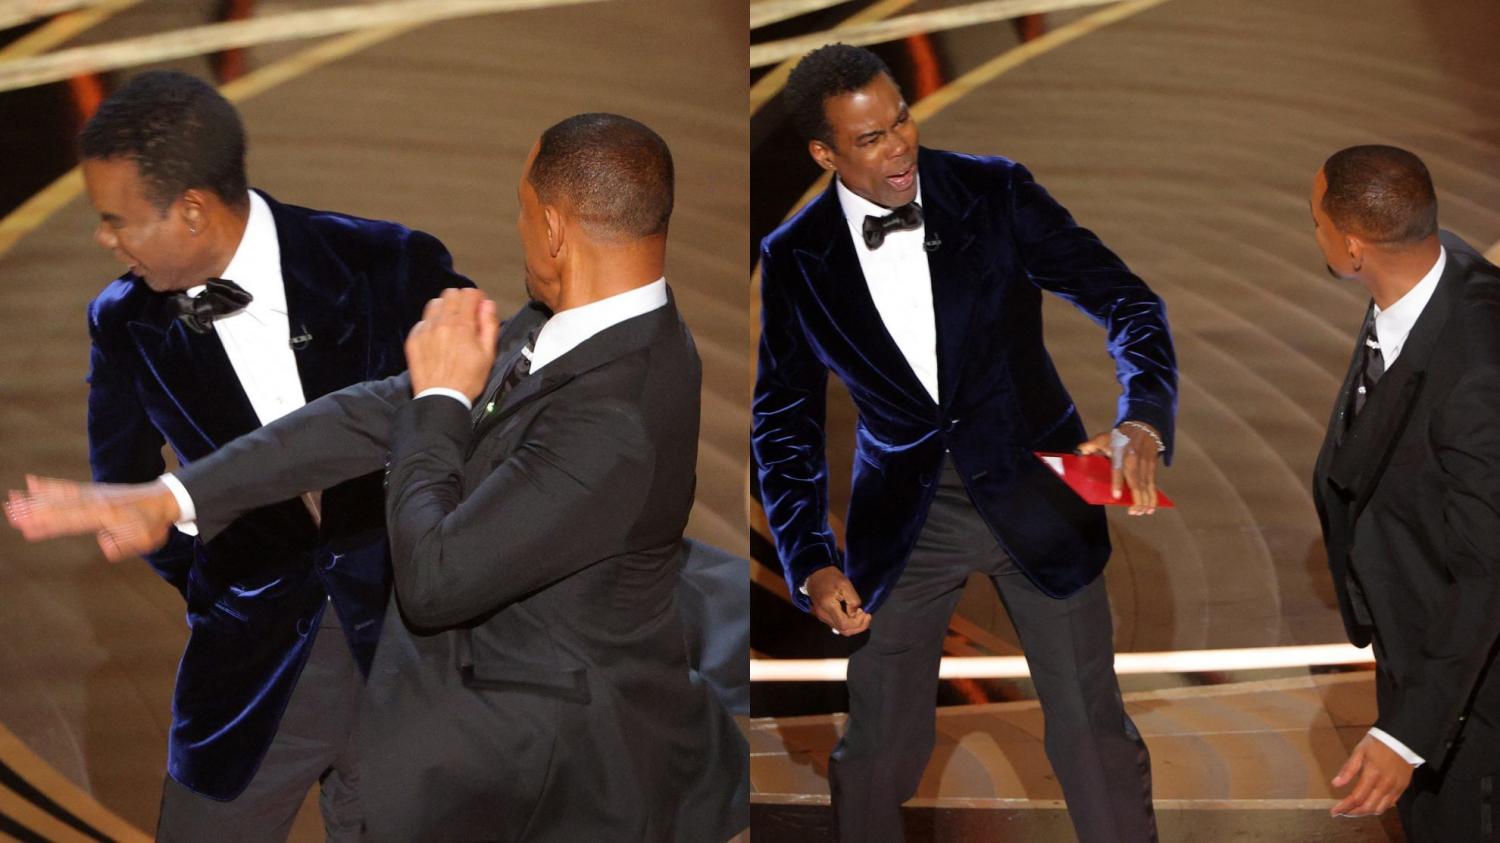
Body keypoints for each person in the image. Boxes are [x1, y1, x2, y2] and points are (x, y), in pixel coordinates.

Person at [10, 112, 747, 842]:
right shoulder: (566, 324)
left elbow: (433, 578)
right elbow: (373, 410)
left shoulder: (618, 414)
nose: (517, 227)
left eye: (522, 210)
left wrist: (439, 399)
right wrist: (172, 497)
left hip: (544, 780)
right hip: (453, 725)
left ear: (553, 227)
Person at [751, 44, 1176, 842]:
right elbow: (784, 418)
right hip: (907, 522)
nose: (899, 145)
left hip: (1039, 493)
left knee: (1092, 735)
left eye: (901, 119)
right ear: (824, 154)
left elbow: (1128, 302)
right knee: (877, 749)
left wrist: (1142, 417)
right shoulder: (794, 257)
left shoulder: (994, 190)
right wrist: (808, 556)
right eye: (870, 137)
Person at [75, 69, 469, 839]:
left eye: (116, 220)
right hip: (250, 673)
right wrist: (220, 582)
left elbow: (480, 424)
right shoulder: (121, 321)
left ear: (192, 209)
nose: (105, 239)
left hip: (416, 657)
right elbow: (124, 483)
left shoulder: (389, 262)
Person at [1309, 144, 1500, 839]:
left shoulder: (1476, 370)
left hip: (1471, 694)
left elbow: (1489, 571)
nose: (1316, 232)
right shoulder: (1432, 271)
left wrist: (1407, 734)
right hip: (1414, 634)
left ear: (1353, 247)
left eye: (1318, 223)